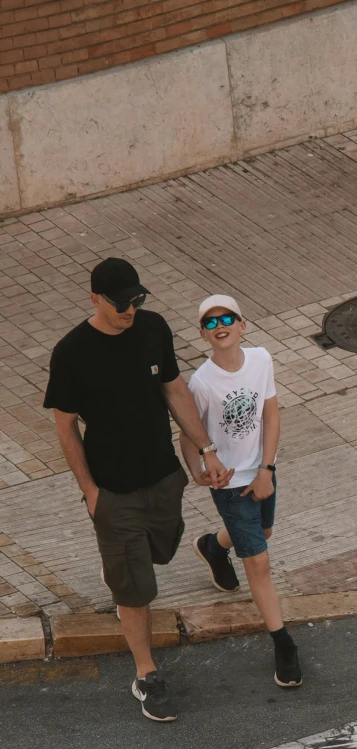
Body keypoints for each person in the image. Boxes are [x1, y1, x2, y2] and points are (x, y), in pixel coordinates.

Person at [43, 257, 231, 722]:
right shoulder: (72, 353)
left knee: (161, 548)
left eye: (136, 299)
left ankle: (162, 559)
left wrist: (206, 448)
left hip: (163, 478)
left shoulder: (152, 328)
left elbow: (173, 390)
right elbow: (65, 427)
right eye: (121, 303)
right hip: (114, 492)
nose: (130, 309)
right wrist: (91, 492)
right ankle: (146, 674)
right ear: (95, 299)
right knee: (135, 587)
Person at [182, 293, 301, 689]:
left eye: (227, 319)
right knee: (259, 563)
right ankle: (282, 642)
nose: (220, 327)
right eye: (211, 324)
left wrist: (267, 468)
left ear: (242, 325)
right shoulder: (201, 382)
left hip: (262, 471)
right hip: (230, 483)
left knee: (262, 534)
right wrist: (197, 470)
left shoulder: (262, 359)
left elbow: (270, 413)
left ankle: (214, 546)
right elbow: (187, 432)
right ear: (202, 334)